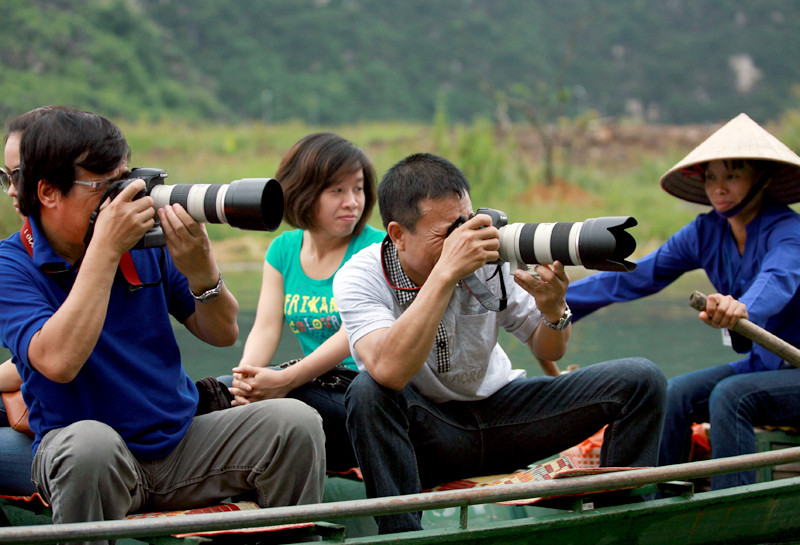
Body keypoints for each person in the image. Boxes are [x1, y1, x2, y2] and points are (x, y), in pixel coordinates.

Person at [0, 107, 325, 538]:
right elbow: (58, 361)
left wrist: (202, 271)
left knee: (294, 423)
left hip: (181, 443)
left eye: (125, 180)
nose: (123, 199)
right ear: (47, 192)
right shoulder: (12, 264)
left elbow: (222, 332)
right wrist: (106, 248)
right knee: (89, 447)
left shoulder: (143, 244)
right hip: (91, 457)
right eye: (104, 188)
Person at [332, 152, 667, 533]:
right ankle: (403, 537)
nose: (465, 239)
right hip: (429, 434)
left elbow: (549, 350)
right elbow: (389, 372)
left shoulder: (491, 258)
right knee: (368, 391)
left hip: (504, 415)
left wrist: (554, 310)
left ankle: (619, 526)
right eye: (447, 232)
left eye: (467, 222)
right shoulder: (360, 276)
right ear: (398, 235)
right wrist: (445, 273)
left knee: (642, 379)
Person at [566, 113, 800, 489]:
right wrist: (556, 303)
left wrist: (743, 308)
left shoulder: (789, 231)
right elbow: (636, 276)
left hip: (795, 372)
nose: (719, 188)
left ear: (763, 178)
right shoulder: (705, 233)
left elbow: (779, 277)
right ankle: (657, 504)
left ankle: (733, 510)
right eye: (711, 177)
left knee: (732, 397)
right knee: (672, 394)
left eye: (733, 176)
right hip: (762, 367)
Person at [227, 132, 384, 472]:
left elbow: (351, 334)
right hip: (313, 385)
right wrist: (246, 378)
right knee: (221, 392)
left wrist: (287, 379)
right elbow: (266, 328)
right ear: (303, 192)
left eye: (357, 188)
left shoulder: (378, 250)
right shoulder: (283, 250)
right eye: (337, 191)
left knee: (289, 399)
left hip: (366, 399)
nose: (352, 202)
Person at [0, 107, 60, 497]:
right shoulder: (18, 253)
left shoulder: (127, 252)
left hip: (80, 441)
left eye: (17, 177)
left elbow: (53, 360)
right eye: (5, 178)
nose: (10, 191)